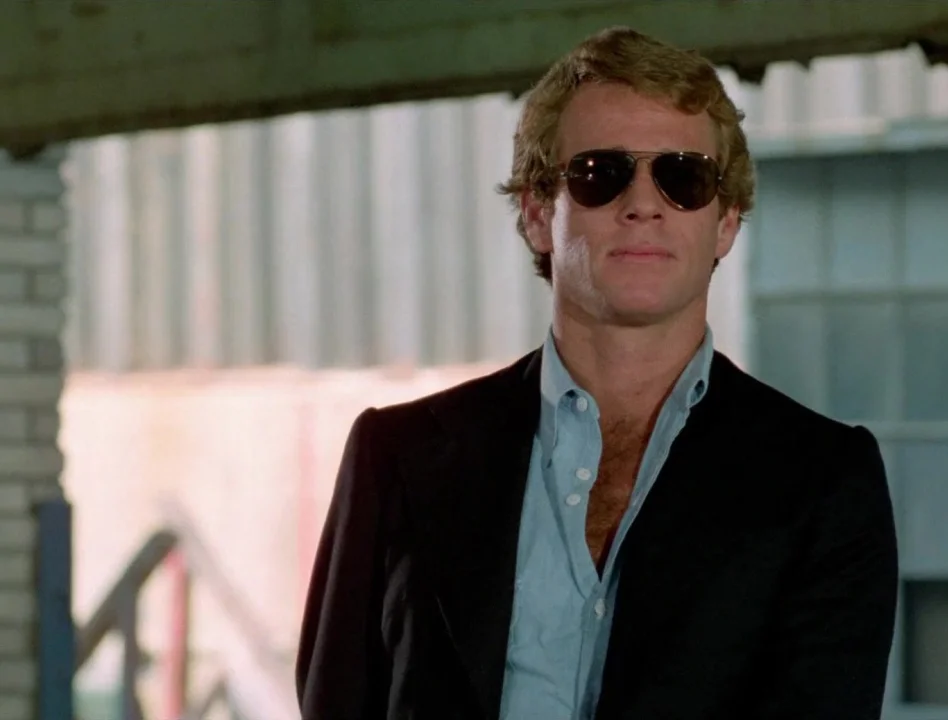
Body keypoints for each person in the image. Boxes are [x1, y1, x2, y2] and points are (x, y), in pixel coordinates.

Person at [295, 26, 898, 720]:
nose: (643, 204)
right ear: (536, 214)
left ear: (726, 222)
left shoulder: (824, 482)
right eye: (599, 174)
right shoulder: (396, 459)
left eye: (683, 177)